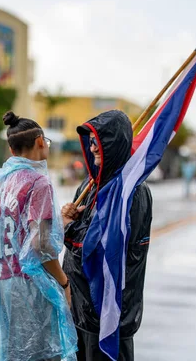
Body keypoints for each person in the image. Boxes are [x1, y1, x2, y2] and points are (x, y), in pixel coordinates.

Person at [0, 111, 77, 361]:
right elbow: (41, 245)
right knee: (41, 355)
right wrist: (63, 282)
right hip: (30, 285)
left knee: (15, 354)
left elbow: (20, 231)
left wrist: (60, 222)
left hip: (4, 283)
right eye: (46, 142)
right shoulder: (39, 183)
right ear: (39, 142)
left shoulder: (5, 184)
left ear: (11, 150)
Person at [61, 110, 153, 361]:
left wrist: (68, 227)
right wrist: (71, 217)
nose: (92, 148)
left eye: (99, 142)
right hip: (79, 311)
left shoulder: (131, 192)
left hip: (107, 316)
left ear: (115, 144)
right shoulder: (91, 184)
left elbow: (103, 247)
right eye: (90, 141)